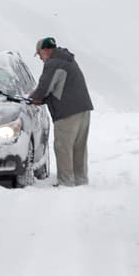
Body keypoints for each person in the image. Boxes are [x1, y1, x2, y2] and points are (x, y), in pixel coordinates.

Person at [28, 36, 93, 187]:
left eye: (39, 54)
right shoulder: (67, 59)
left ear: (45, 50)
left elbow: (45, 87)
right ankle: (81, 180)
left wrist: (33, 98)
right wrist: (41, 98)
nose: (40, 58)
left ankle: (66, 183)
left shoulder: (53, 63)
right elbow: (57, 87)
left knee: (63, 147)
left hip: (67, 112)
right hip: (83, 109)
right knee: (79, 147)